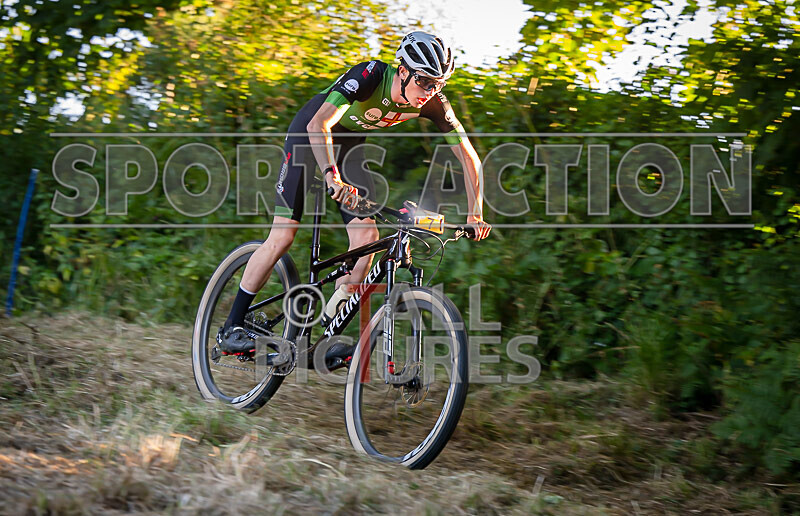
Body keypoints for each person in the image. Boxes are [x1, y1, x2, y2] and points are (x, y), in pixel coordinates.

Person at [218, 31, 492, 358]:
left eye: (438, 84)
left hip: (349, 149)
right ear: (403, 70)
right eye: (424, 81)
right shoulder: (371, 75)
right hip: (309, 138)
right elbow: (319, 124)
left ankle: (322, 334)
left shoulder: (433, 103)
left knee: (367, 238)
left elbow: (468, 157)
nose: (429, 92)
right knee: (283, 236)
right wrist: (332, 178)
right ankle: (231, 327)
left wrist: (475, 213)